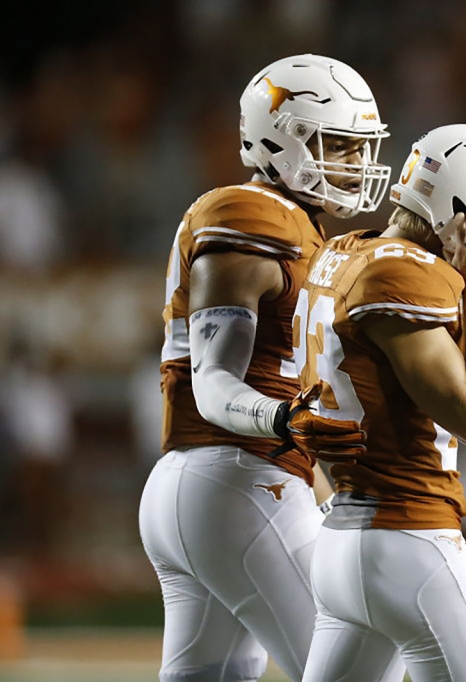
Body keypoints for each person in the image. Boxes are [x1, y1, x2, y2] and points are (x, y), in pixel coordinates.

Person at [138, 54, 391, 682]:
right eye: (339, 145)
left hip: (222, 485)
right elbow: (213, 383)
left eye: (361, 150)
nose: (356, 165)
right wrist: (283, 419)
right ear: (280, 137)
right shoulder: (249, 217)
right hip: (237, 478)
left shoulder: (302, 231)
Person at [294, 123, 466, 682]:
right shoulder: (404, 274)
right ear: (463, 209)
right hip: (410, 540)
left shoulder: (342, 253)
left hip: (342, 545)